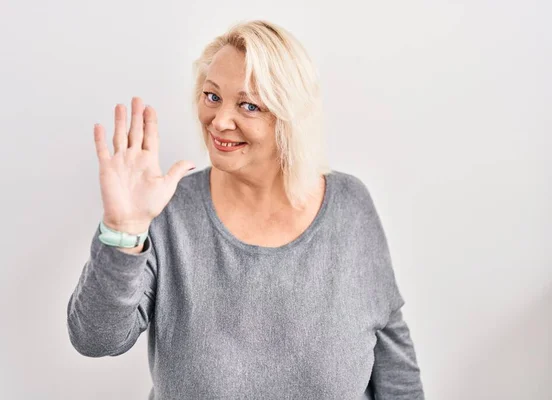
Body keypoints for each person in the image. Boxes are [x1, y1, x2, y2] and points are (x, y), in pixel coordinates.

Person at [66, 19, 424, 400]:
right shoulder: (168, 211)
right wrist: (124, 229)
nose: (219, 121)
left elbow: (392, 351)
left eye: (248, 105)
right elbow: (96, 338)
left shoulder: (350, 206)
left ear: (290, 117)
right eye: (212, 96)